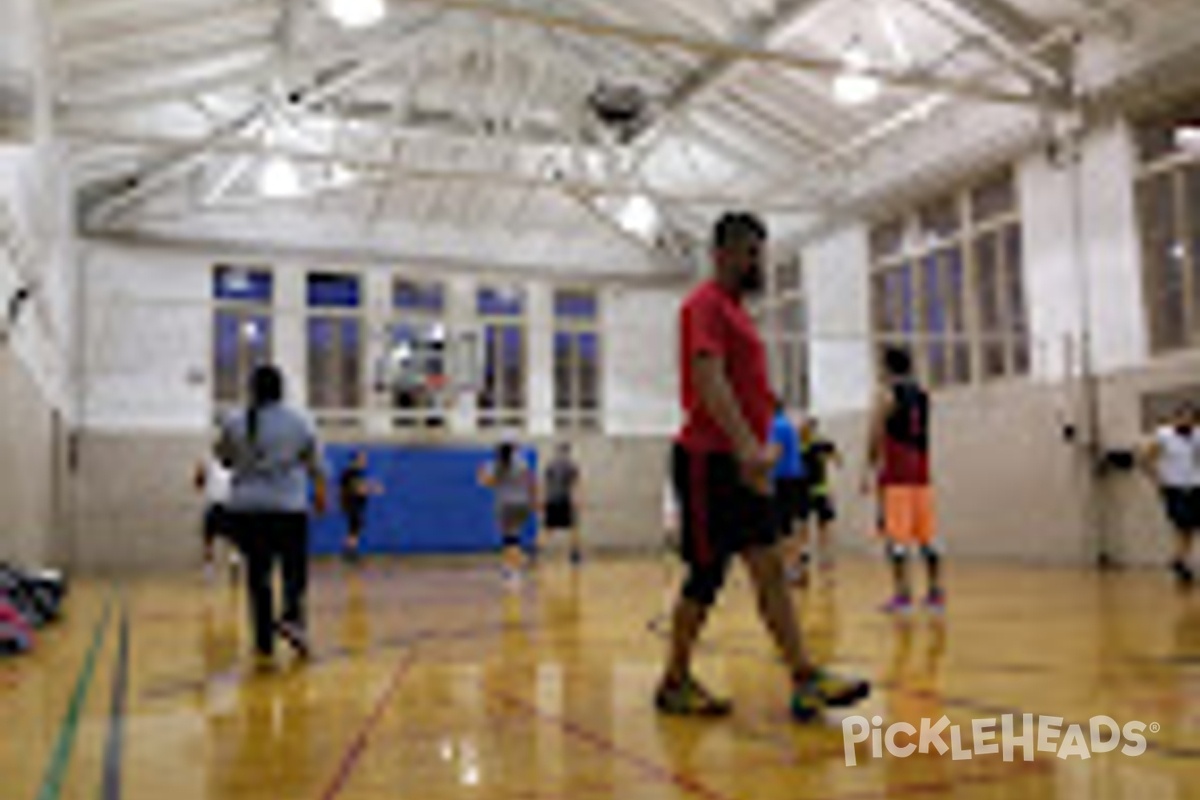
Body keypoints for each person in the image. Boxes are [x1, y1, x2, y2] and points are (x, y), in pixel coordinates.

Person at [656, 212, 869, 722]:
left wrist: (763, 441)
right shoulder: (703, 306)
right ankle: (674, 681)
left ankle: (804, 679)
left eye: (760, 253)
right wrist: (747, 445)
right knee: (706, 577)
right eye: (750, 253)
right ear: (722, 253)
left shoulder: (738, 312)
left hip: (742, 464)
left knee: (771, 569)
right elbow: (709, 379)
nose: (757, 264)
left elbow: (746, 384)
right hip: (710, 462)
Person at [216, 365, 327, 665]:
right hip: (288, 508)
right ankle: (291, 616)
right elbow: (315, 463)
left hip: (246, 510)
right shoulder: (299, 421)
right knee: (294, 570)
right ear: (281, 389)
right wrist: (320, 494)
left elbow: (224, 459)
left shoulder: (234, 421)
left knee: (258, 576)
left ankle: (263, 640)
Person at [864, 347, 942, 613]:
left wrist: (868, 467)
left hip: (897, 472)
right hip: (921, 472)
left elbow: (875, 432)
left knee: (896, 537)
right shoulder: (923, 395)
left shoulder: (885, 394)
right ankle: (935, 593)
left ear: (886, 367)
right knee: (926, 536)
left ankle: (903, 595)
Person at [1139, 403, 1200, 586]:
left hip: (1195, 486)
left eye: (1191, 418)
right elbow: (1145, 458)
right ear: (1176, 418)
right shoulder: (1163, 435)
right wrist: (1157, 482)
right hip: (1174, 488)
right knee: (1183, 525)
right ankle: (1179, 561)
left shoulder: (1197, 435)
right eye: (1183, 417)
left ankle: (1180, 561)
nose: (1187, 421)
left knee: (1191, 528)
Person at [478, 441, 538, 586]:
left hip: (506, 505)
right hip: (522, 504)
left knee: (510, 540)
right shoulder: (522, 464)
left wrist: (480, 475)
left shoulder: (497, 465)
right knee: (512, 538)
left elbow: (489, 482)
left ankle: (516, 570)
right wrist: (533, 500)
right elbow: (532, 481)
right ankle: (508, 567)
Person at [796, 417, 841, 577]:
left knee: (823, 526)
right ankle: (804, 557)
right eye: (803, 428)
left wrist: (834, 458)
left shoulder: (820, 444)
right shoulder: (799, 446)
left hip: (821, 491)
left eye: (808, 427)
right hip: (804, 493)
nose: (805, 430)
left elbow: (837, 456)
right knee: (803, 526)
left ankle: (824, 558)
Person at [768, 401, 807, 584]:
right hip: (793, 479)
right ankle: (795, 566)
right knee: (789, 525)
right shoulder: (787, 424)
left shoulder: (777, 425)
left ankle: (791, 568)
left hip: (782, 479)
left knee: (783, 528)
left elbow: (775, 452)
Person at [194, 454, 239, 581]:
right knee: (233, 540)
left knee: (208, 540)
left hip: (215, 508)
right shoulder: (236, 467)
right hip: (231, 509)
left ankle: (209, 570)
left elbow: (198, 485)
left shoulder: (211, 465)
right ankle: (233, 560)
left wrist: (200, 471)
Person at [338, 450, 384, 563]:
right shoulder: (350, 473)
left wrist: (372, 485)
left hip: (356, 504)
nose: (365, 461)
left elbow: (362, 485)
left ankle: (349, 552)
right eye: (362, 459)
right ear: (356, 460)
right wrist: (373, 489)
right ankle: (349, 553)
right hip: (351, 504)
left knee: (355, 529)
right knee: (354, 528)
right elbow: (358, 489)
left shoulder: (357, 473)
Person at [543, 442, 583, 564]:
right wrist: (577, 499)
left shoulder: (550, 465)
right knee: (574, 526)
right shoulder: (571, 465)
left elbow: (546, 484)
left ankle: (535, 552)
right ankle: (574, 555)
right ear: (569, 451)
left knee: (548, 528)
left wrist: (543, 499)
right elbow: (576, 483)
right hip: (564, 499)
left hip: (551, 499)